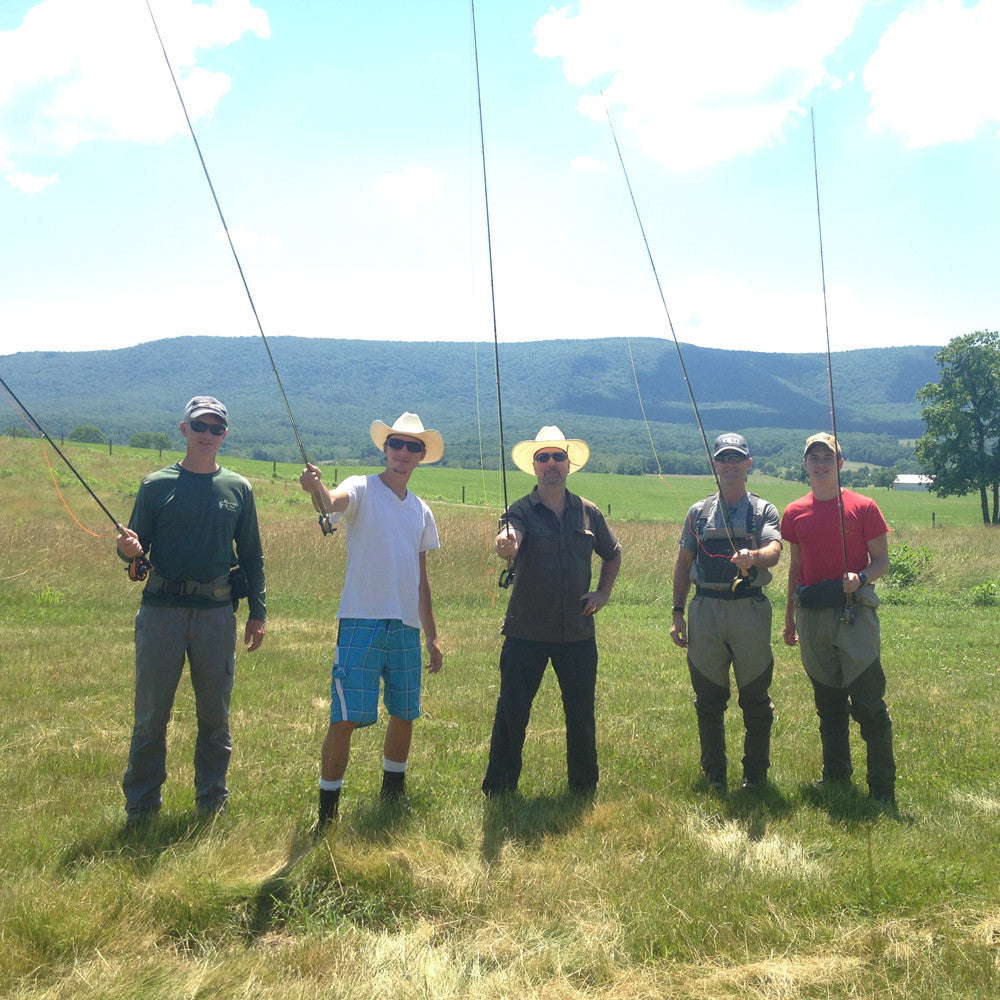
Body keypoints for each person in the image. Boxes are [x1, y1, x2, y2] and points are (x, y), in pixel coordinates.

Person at [116, 396, 266, 823]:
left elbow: (252, 556)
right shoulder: (155, 485)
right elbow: (134, 554)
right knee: (150, 717)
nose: (207, 434)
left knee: (215, 717)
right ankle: (141, 809)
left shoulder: (238, 488)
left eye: (216, 428)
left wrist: (259, 612)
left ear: (224, 435)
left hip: (218, 615)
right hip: (161, 613)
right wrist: (127, 550)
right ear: (184, 429)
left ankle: (212, 804)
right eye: (200, 426)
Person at [299, 412, 443, 827]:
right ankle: (327, 811)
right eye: (396, 444)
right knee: (344, 716)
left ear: (421, 456)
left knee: (405, 712)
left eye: (413, 447)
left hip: (406, 627)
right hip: (361, 619)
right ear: (385, 449)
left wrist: (432, 635)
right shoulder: (361, 486)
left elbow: (421, 581)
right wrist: (318, 489)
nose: (403, 452)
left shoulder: (421, 511)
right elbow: (331, 505)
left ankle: (392, 795)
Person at [482, 426, 622, 797]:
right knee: (512, 712)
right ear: (534, 466)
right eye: (543, 457)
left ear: (568, 463)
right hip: (525, 630)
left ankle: (583, 786)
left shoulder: (588, 512)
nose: (551, 464)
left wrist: (604, 593)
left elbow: (612, 553)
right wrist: (505, 544)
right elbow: (508, 537)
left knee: (580, 714)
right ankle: (499, 787)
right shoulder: (520, 511)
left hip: (577, 631)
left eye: (557, 456)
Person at [780, 432, 896, 805]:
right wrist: (788, 619)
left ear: (840, 464)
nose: (820, 464)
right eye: (813, 458)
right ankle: (836, 778)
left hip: (855, 610)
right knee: (828, 705)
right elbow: (795, 567)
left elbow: (882, 562)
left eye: (827, 458)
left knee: (868, 704)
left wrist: (860, 577)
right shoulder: (795, 512)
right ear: (805, 465)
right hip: (811, 614)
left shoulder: (865, 507)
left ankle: (881, 788)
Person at [669, 433, 782, 793]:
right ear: (715, 464)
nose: (730, 465)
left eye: (737, 458)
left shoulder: (763, 510)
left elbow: (775, 550)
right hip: (704, 611)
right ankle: (715, 774)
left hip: (749, 609)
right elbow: (683, 563)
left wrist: (755, 557)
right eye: (723, 459)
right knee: (708, 698)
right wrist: (677, 613)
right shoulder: (697, 513)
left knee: (755, 698)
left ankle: (755, 775)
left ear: (748, 464)